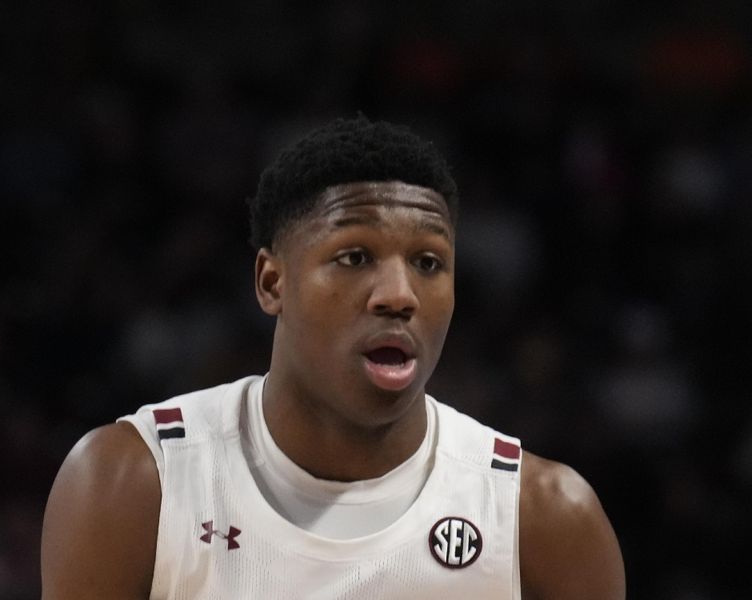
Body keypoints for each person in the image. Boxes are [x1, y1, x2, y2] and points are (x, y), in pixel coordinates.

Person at [41, 116, 625, 599]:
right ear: (272, 282)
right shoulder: (135, 483)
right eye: (354, 257)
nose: (398, 295)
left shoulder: (543, 518)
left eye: (428, 262)